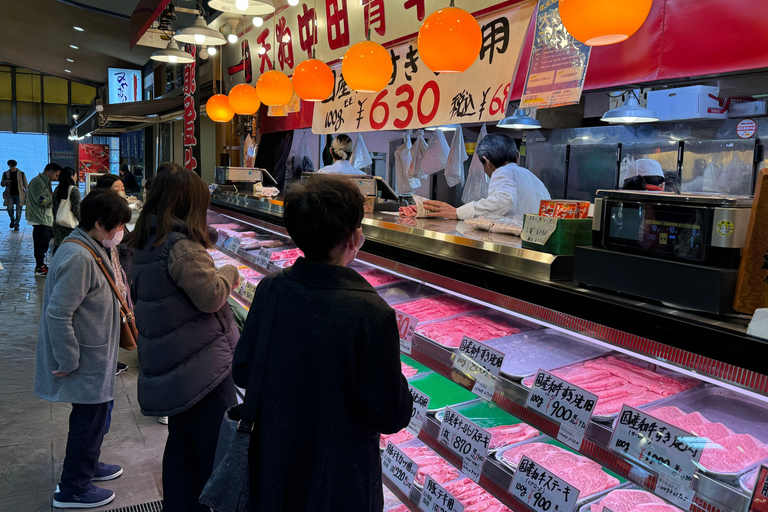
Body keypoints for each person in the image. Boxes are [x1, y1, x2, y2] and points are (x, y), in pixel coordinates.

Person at [232, 175, 412, 512]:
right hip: (340, 482)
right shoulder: (373, 312)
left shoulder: (271, 288)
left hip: (273, 466)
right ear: (354, 237)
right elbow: (391, 416)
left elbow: (243, 371)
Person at [131, 163, 240, 512]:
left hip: (174, 362)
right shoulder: (181, 245)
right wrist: (229, 271)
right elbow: (210, 296)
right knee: (215, 453)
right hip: (201, 367)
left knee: (181, 448)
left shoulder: (148, 237)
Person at [34, 188, 132, 509]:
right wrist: (68, 357)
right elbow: (58, 312)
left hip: (96, 354)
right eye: (118, 226)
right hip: (84, 358)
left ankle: (87, 466)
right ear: (99, 224)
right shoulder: (79, 256)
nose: (121, 232)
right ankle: (74, 488)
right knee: (88, 421)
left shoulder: (90, 245)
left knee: (96, 417)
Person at [422, 133, 550, 219]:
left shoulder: (502, 172)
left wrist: (458, 213)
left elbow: (504, 202)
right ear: (517, 157)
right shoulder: (533, 178)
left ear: (486, 161)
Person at [94, 174, 133, 377]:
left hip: (118, 278)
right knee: (106, 323)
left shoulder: (111, 218)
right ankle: (105, 362)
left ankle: (109, 360)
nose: (123, 193)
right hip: (110, 282)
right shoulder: (83, 253)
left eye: (123, 189)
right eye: (117, 189)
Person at [27, 163, 61, 276]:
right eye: (56, 175)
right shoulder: (37, 182)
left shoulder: (45, 182)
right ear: (50, 172)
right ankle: (39, 267)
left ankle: (41, 265)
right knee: (41, 242)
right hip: (39, 217)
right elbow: (40, 199)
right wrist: (53, 199)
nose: (56, 178)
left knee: (44, 240)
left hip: (45, 217)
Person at [52, 167, 81, 254]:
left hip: (58, 223)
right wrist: (82, 223)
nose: (76, 177)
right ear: (72, 176)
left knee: (58, 247)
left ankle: (55, 265)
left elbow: (54, 206)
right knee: (69, 248)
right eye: (75, 175)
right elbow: (76, 209)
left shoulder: (58, 188)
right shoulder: (74, 190)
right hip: (70, 225)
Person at [2, 159, 28, 230]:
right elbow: (2, 184)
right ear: (9, 166)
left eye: (13, 166)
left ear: (16, 166)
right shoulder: (5, 173)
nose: (12, 168)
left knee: (19, 211)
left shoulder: (21, 173)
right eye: (11, 167)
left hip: (19, 194)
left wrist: (27, 194)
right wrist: (6, 182)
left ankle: (17, 224)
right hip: (10, 194)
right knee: (9, 208)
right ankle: (12, 220)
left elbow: (25, 184)